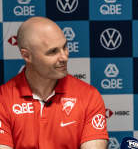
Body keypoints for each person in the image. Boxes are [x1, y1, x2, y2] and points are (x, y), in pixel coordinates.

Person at [0, 17, 108, 149]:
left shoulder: (89, 96)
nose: (64, 57)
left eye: (64, 47)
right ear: (27, 56)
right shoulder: (3, 99)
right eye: (53, 52)